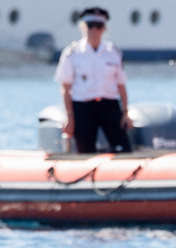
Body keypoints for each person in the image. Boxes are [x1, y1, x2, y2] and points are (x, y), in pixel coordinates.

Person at [54, 7, 133, 154]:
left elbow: (121, 85)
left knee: (123, 148)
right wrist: (70, 117)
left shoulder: (113, 52)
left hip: (109, 106)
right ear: (83, 27)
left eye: (99, 26)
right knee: (85, 151)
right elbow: (65, 87)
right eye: (90, 26)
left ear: (103, 29)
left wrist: (125, 112)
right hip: (83, 107)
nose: (94, 30)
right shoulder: (72, 53)